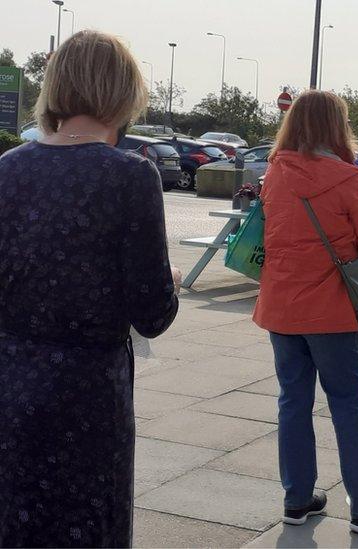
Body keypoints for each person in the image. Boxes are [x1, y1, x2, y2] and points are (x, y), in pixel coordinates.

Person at [0, 31, 180, 547]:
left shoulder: (8, 169)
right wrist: (163, 282)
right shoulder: (130, 176)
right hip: (86, 393)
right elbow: (152, 314)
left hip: (11, 382)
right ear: (122, 92)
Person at [253, 90, 358, 534]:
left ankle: (297, 498)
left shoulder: (275, 172)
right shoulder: (346, 178)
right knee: (346, 403)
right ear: (336, 127)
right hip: (331, 310)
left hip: (280, 306)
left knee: (292, 401)